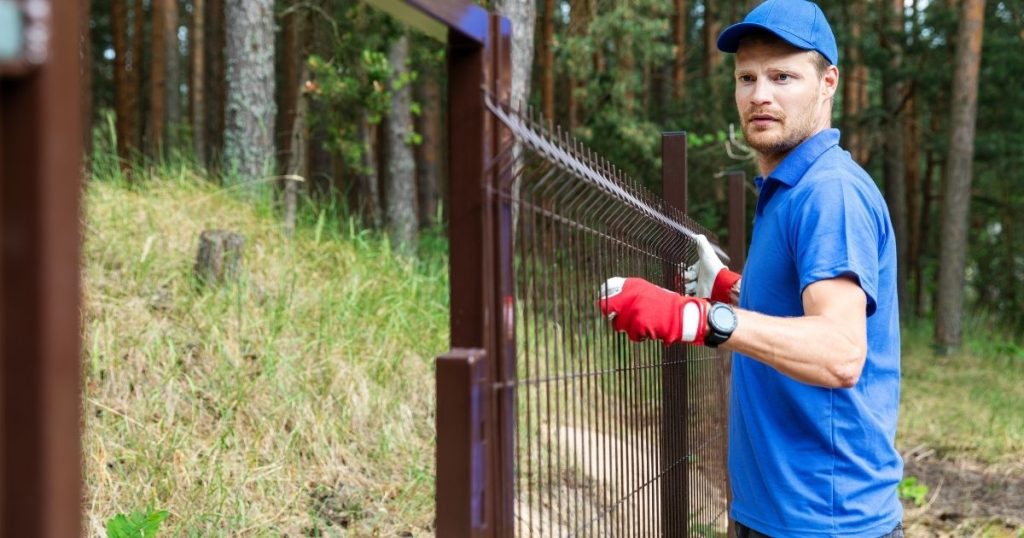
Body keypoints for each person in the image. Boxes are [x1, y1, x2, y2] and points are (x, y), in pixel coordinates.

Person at [598, 0, 904, 536]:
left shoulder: (829, 193)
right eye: (747, 77)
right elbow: (806, 306)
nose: (760, 94)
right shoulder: (789, 188)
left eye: (783, 76)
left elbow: (840, 352)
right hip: (776, 511)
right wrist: (733, 288)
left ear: (828, 82)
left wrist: (697, 316)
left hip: (825, 521)